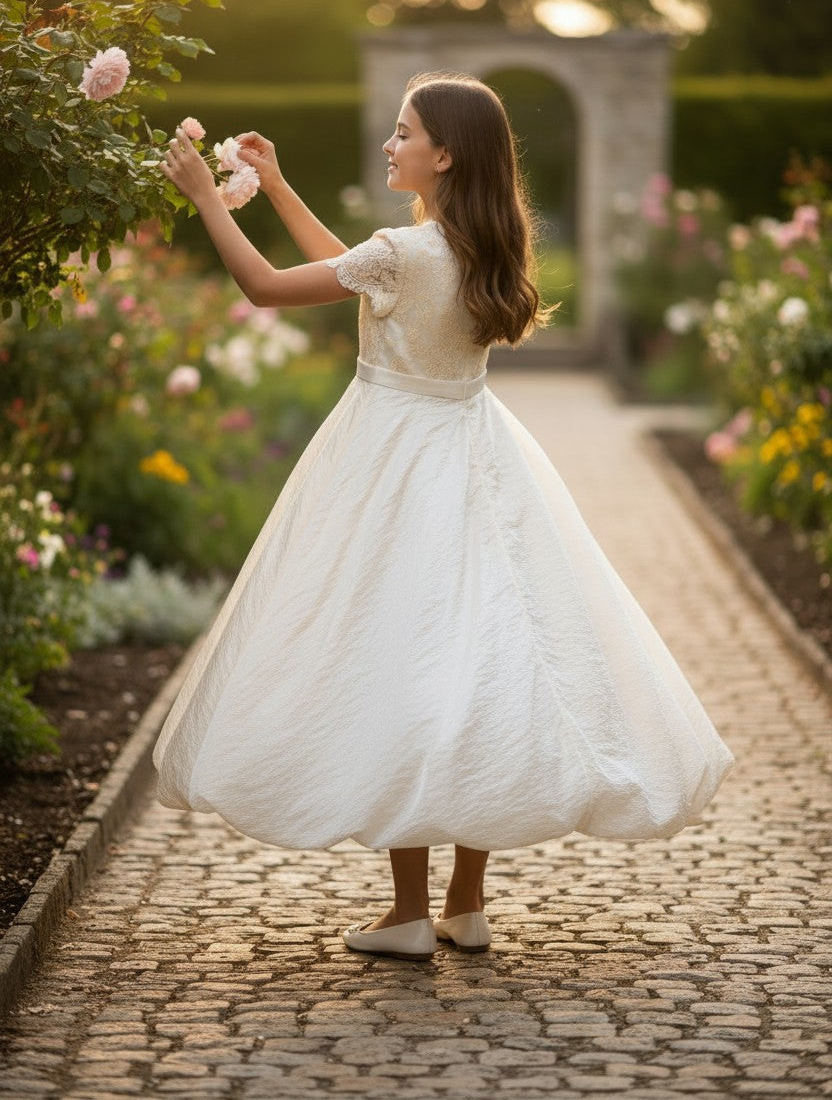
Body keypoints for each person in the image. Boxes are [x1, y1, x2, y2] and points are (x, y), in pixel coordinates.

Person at [154, 71, 735, 964]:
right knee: (476, 660)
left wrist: (207, 197)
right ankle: (465, 903)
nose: (391, 145)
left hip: (393, 460)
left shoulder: (405, 249)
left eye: (404, 133)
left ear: (447, 154)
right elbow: (357, 274)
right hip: (476, 454)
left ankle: (406, 914)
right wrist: (277, 186)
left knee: (401, 661)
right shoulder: (478, 246)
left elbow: (269, 286)